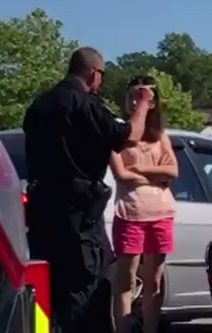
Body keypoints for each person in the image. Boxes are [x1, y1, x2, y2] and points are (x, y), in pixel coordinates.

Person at [23, 47, 151, 333]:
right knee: (83, 288)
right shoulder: (84, 104)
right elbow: (127, 136)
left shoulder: (39, 105)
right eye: (101, 76)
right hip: (77, 215)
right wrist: (142, 105)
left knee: (47, 288)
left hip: (42, 211)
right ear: (93, 74)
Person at [110, 76, 177, 333]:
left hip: (160, 214)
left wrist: (138, 168)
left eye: (142, 97)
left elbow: (172, 171)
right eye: (131, 96)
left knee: (154, 282)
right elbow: (121, 175)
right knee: (126, 279)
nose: (135, 102)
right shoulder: (119, 134)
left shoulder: (161, 136)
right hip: (129, 213)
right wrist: (155, 175)